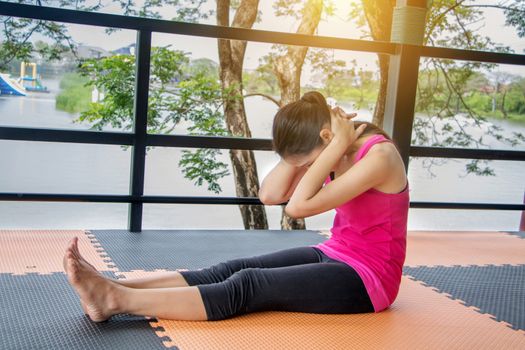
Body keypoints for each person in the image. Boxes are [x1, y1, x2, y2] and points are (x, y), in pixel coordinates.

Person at [62, 91, 409, 322]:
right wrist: (321, 144)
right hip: (334, 252)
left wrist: (332, 148)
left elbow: (297, 208)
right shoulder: (330, 144)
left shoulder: (379, 156)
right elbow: (270, 195)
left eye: (310, 162)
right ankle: (111, 286)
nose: (309, 168)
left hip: (370, 278)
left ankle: (116, 301)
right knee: (230, 267)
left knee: (250, 284)